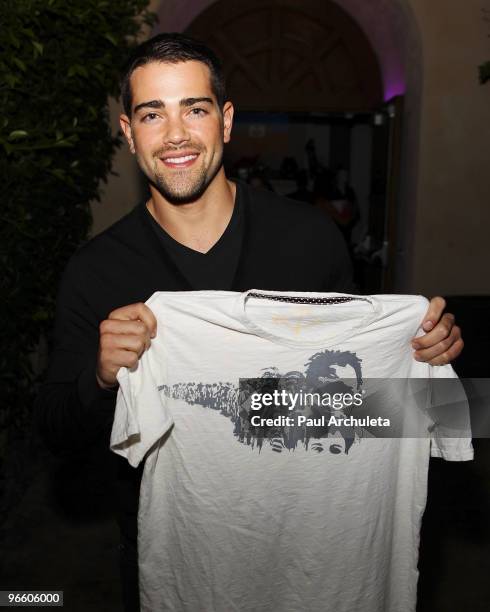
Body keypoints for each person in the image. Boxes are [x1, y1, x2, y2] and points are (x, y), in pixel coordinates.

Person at [35, 32, 464, 612]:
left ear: (227, 120)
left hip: (316, 552)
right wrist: (101, 377)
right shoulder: (97, 270)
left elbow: (360, 407)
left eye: (195, 108)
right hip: (180, 563)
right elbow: (56, 430)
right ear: (128, 131)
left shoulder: (308, 240)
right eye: (152, 113)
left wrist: (427, 363)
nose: (177, 134)